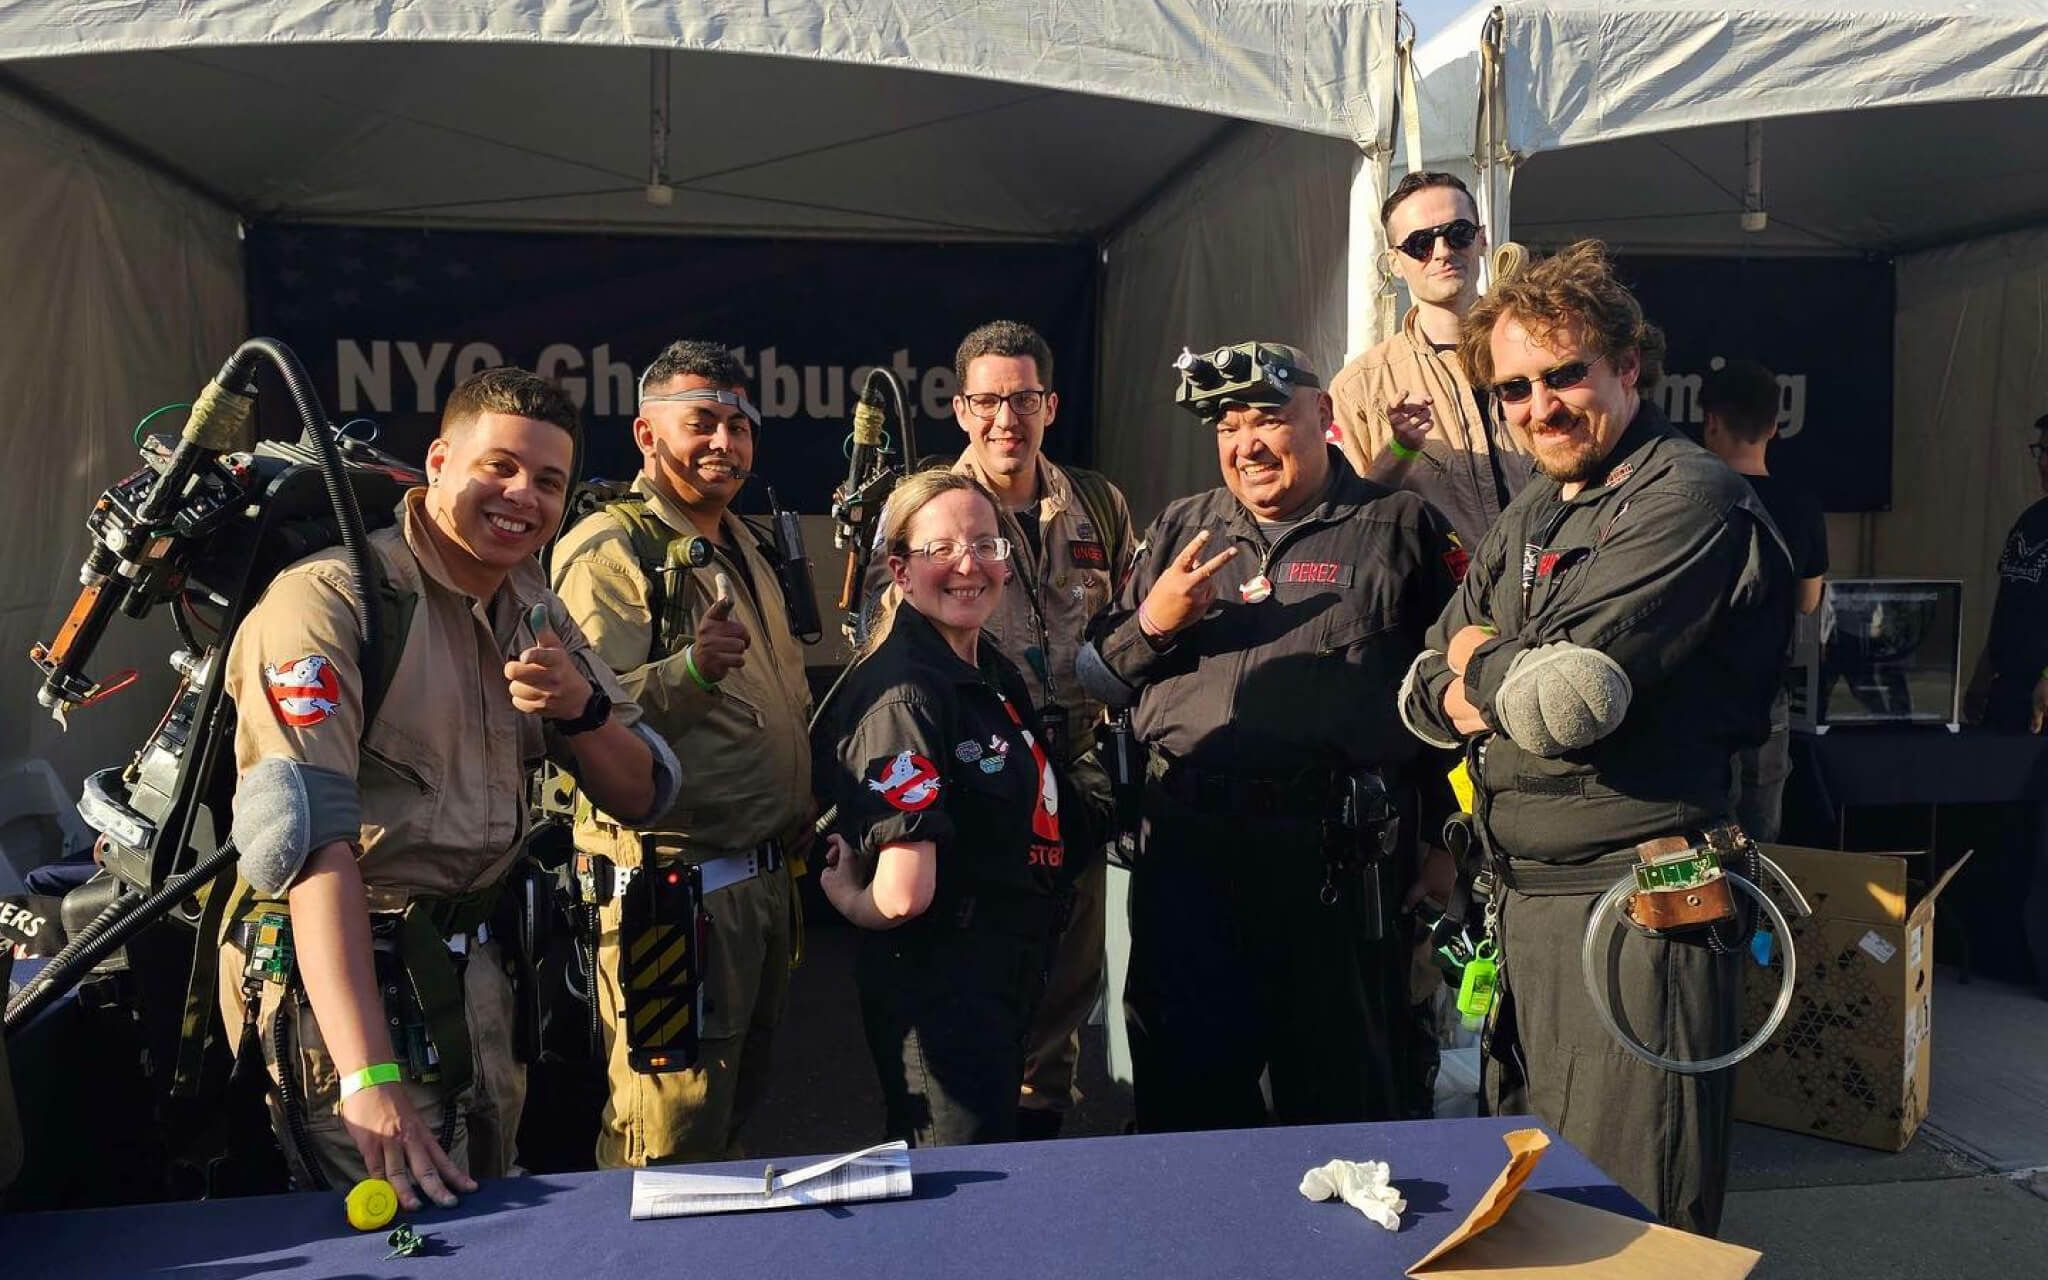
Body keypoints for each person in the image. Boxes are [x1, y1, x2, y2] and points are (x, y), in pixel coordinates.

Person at [1399, 241, 1792, 1235]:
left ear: (1626, 365)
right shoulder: (1533, 504)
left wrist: (1474, 666)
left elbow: (1563, 700)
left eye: (1564, 373)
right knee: (1540, 1214)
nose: (1540, 404)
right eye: (1514, 388)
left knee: (1630, 1221)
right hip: (1523, 903)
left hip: (1635, 908)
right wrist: (1480, 664)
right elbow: (1418, 677)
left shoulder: (1687, 497)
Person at [220, 367, 676, 1210]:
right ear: (437, 462)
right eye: (498, 466)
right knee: (404, 1235)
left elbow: (649, 791)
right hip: (350, 993)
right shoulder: (330, 603)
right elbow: (308, 847)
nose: (522, 497)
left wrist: (579, 711)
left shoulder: (532, 602)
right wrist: (366, 1075)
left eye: (548, 481)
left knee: (490, 1218)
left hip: (478, 981)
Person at [1078, 340, 1457, 1133]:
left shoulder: (1399, 528)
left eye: (1268, 419)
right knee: (1184, 1100)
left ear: (1324, 416)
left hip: (1331, 866)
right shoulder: (1182, 525)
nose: (1245, 443)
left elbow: (1451, 706)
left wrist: (1448, 843)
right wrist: (1154, 623)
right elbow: (1099, 678)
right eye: (1227, 424)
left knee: (1343, 1105)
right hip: (1186, 857)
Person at [551, 340, 815, 1167]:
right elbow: (585, 720)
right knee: (663, 1138)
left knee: (730, 1122)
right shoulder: (608, 550)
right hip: (674, 900)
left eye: (739, 427)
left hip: (762, 889)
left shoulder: (744, 543)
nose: (724, 444)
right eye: (701, 423)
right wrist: (692, 669)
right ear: (645, 433)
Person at [920, 320, 1134, 1139]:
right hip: (978, 794)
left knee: (1063, 1004)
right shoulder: (926, 507)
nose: (1005, 418)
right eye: (987, 400)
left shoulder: (1099, 504)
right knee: (978, 1001)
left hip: (1074, 788)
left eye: (1023, 399)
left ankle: (1041, 1161)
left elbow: (1123, 630)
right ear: (960, 406)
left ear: (1050, 403)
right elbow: (894, 654)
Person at [817, 469, 1074, 1147]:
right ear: (900, 572)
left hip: (1001, 982)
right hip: (944, 996)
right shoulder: (904, 695)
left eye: (987, 545)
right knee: (961, 1204)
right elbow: (902, 897)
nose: (970, 565)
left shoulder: (989, 666)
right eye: (941, 550)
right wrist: (846, 898)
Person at [1329, 171, 1533, 553]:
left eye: (1458, 233)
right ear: (1393, 261)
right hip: (1441, 605)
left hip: (1552, 595)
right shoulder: (1361, 386)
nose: (1442, 252)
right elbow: (1346, 525)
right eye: (1420, 243)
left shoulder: (1537, 353)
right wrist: (1400, 450)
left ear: (1483, 238)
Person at [1702, 358, 1828, 841]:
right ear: (1775, 427)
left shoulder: (1688, 498)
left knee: (1701, 843)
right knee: (1760, 843)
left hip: (1698, 697)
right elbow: (1808, 602)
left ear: (1710, 422)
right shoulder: (1800, 504)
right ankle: (1757, 917)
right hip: (1766, 696)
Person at [1963, 413, 2048, 992]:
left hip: (2042, 703)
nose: (2042, 459)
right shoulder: (2031, 521)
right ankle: (1996, 950)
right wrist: (1980, 671)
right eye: (2039, 447)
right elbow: (2007, 603)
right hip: (2006, 696)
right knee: (2001, 827)